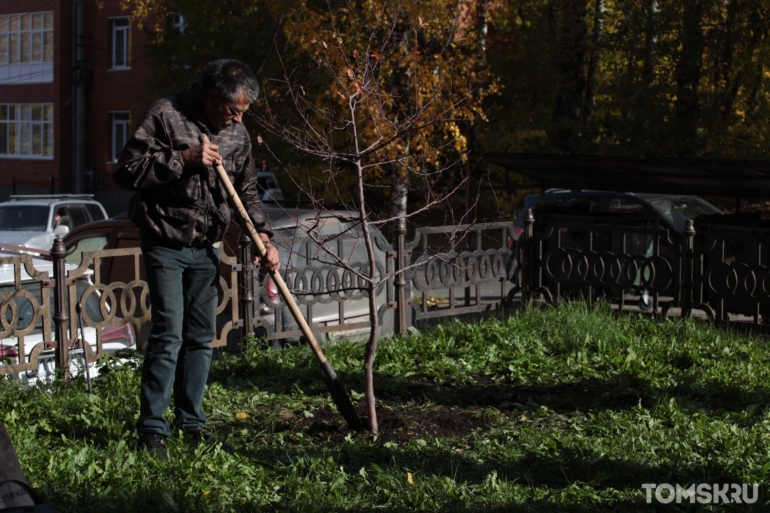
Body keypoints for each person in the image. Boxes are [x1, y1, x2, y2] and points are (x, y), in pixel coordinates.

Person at [114, 59, 280, 459]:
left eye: (243, 112)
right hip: (165, 242)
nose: (239, 119)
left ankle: (193, 423)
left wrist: (262, 234)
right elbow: (126, 172)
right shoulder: (164, 116)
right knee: (168, 334)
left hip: (207, 246)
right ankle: (153, 430)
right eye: (233, 110)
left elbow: (248, 191)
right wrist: (183, 159)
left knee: (200, 338)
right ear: (211, 99)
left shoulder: (236, 135)